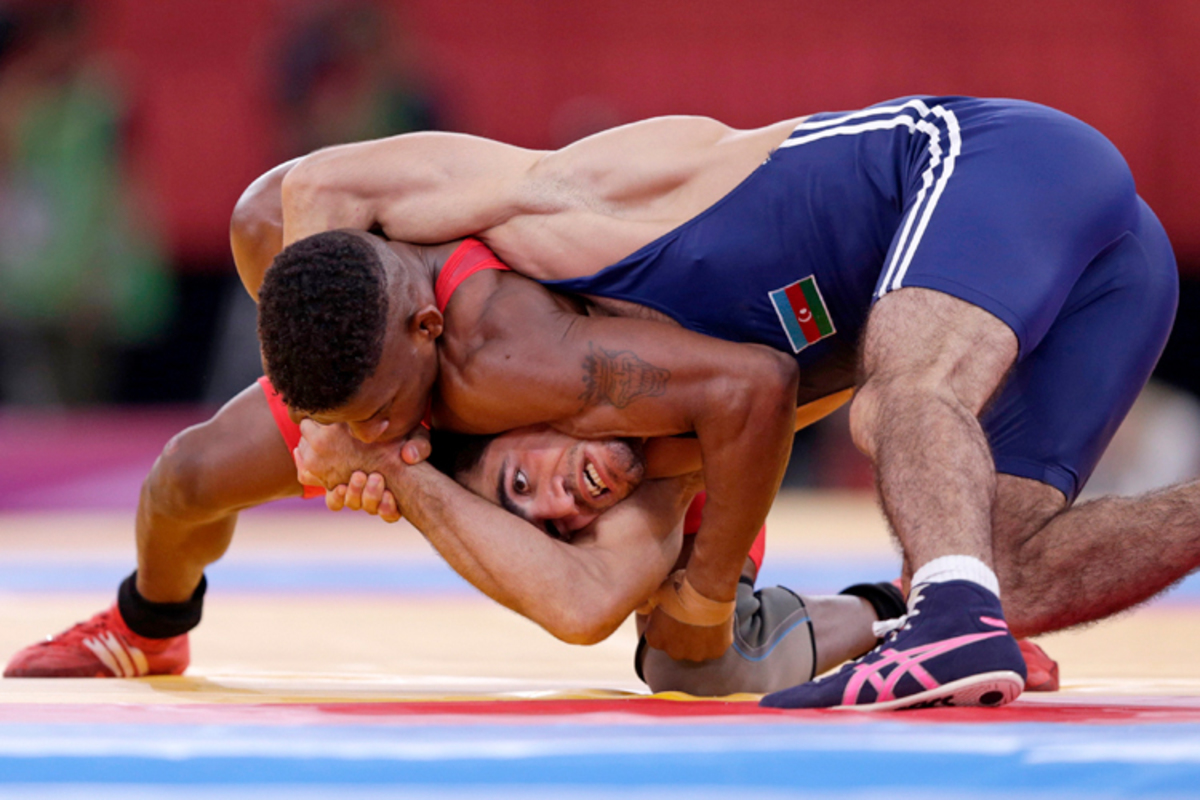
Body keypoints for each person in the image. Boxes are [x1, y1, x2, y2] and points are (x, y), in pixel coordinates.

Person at [265, 96, 1180, 709]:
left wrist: (321, 425)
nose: (563, 502)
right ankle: (955, 612)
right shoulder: (657, 440)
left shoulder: (544, 221)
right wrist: (394, 466)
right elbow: (586, 606)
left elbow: (304, 188)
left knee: (902, 397)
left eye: (520, 484)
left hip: (987, 160)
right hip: (1112, 262)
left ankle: (947, 622)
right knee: (1001, 574)